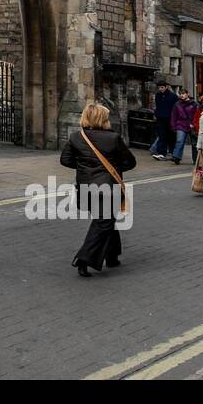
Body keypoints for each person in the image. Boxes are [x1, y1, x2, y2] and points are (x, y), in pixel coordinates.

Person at [60, 102, 135, 277]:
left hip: (85, 187)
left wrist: (83, 167)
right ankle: (84, 258)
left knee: (106, 219)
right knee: (104, 222)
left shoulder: (76, 137)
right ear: (103, 119)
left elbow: (65, 160)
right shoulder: (113, 138)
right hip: (107, 187)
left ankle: (112, 255)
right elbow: (130, 162)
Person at [151, 81, 178, 160]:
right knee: (161, 135)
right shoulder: (158, 95)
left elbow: (175, 108)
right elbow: (157, 106)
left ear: (166, 87)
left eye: (162, 87)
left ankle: (172, 152)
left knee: (171, 136)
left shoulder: (173, 96)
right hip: (160, 119)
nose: (160, 89)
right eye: (159, 87)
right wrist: (156, 114)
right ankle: (161, 153)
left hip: (170, 119)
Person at [169, 89, 197, 165]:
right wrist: (173, 126)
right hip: (180, 124)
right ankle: (176, 157)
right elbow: (173, 115)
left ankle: (196, 159)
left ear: (188, 94)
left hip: (192, 125)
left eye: (183, 93)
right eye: (180, 94)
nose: (182, 95)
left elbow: (196, 115)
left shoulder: (194, 104)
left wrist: (194, 124)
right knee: (179, 140)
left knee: (194, 143)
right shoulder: (177, 104)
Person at [188, 92, 203, 163]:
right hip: (199, 130)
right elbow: (195, 119)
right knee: (196, 146)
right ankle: (196, 161)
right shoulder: (199, 109)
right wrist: (196, 127)